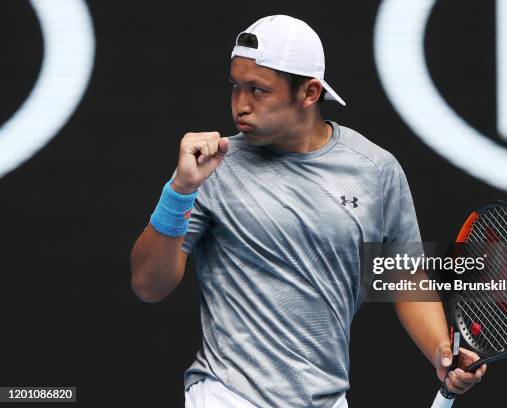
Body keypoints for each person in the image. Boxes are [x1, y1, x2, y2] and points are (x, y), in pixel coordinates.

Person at [130, 15, 486, 408]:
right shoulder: (211, 168)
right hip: (225, 395)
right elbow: (148, 286)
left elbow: (404, 279)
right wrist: (179, 191)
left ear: (310, 92)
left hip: (327, 399)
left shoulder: (375, 170)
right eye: (235, 86)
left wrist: (440, 349)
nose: (240, 105)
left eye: (258, 90)